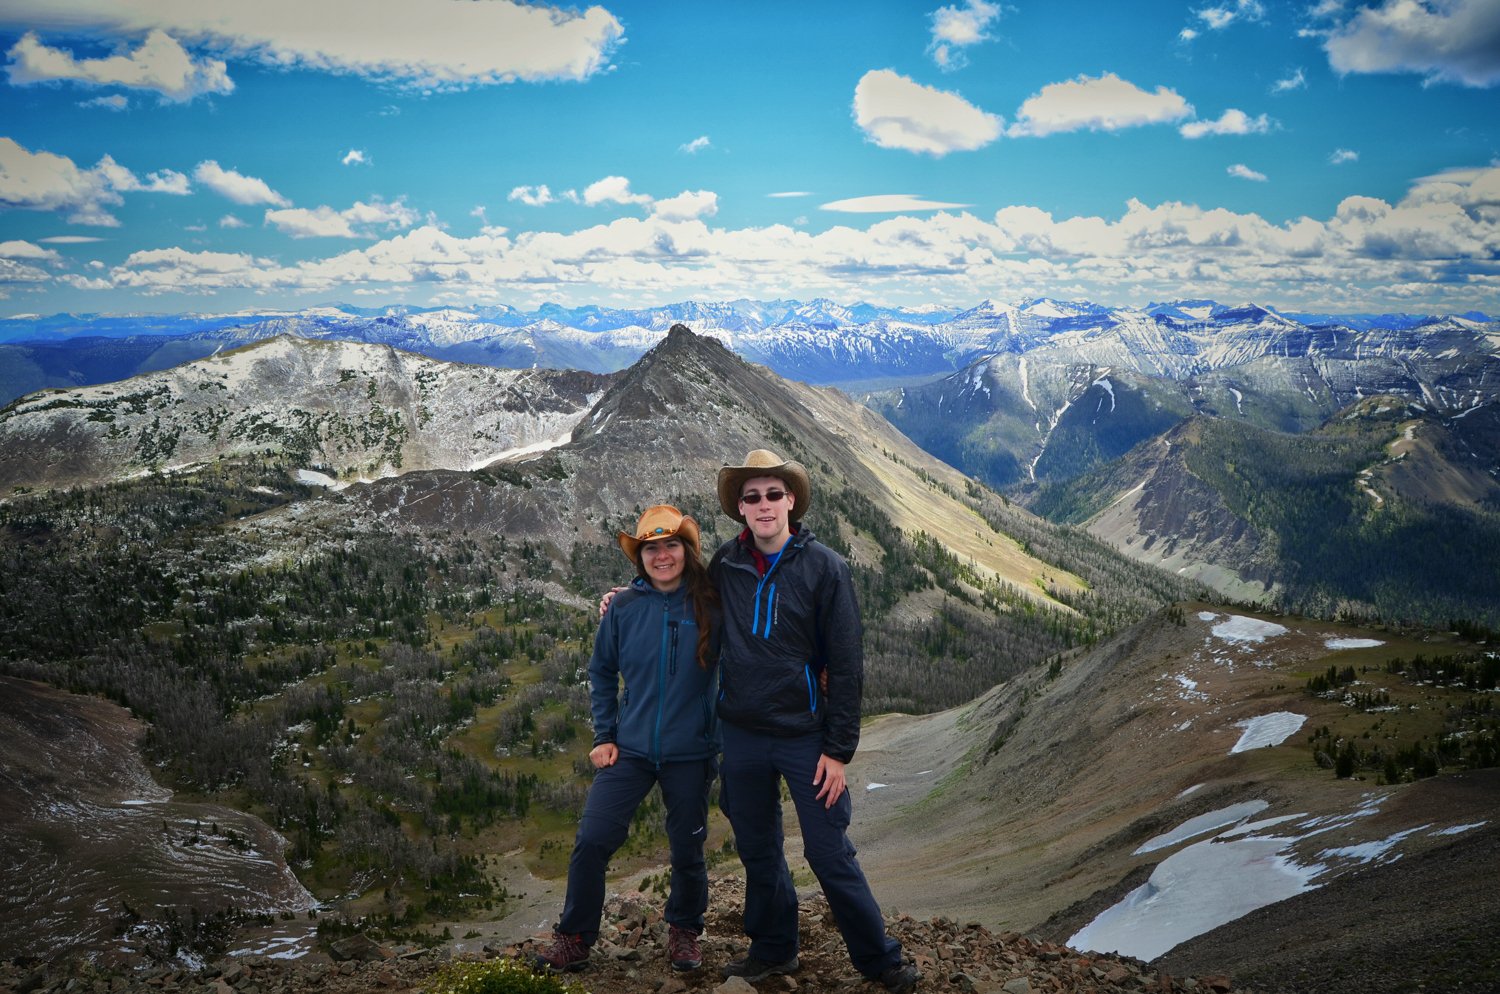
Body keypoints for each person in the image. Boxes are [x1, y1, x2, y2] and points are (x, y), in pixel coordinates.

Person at [711, 448, 920, 993]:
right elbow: (683, 605)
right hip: (742, 733)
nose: (763, 505)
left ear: (792, 501)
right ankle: (774, 951)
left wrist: (838, 750)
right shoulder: (724, 565)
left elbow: (847, 663)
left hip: (806, 736)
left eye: (773, 494)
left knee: (828, 852)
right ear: (739, 506)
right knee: (758, 850)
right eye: (752, 496)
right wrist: (628, 597)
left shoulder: (825, 566)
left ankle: (881, 961)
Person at [534, 505, 720, 974]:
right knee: (593, 839)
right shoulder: (622, 607)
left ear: (687, 550)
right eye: (651, 548)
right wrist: (605, 735)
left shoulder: (713, 603)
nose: (662, 556)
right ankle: (575, 937)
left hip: (691, 751)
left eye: (671, 545)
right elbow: (601, 672)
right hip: (632, 748)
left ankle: (685, 932)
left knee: (687, 848)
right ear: (640, 557)